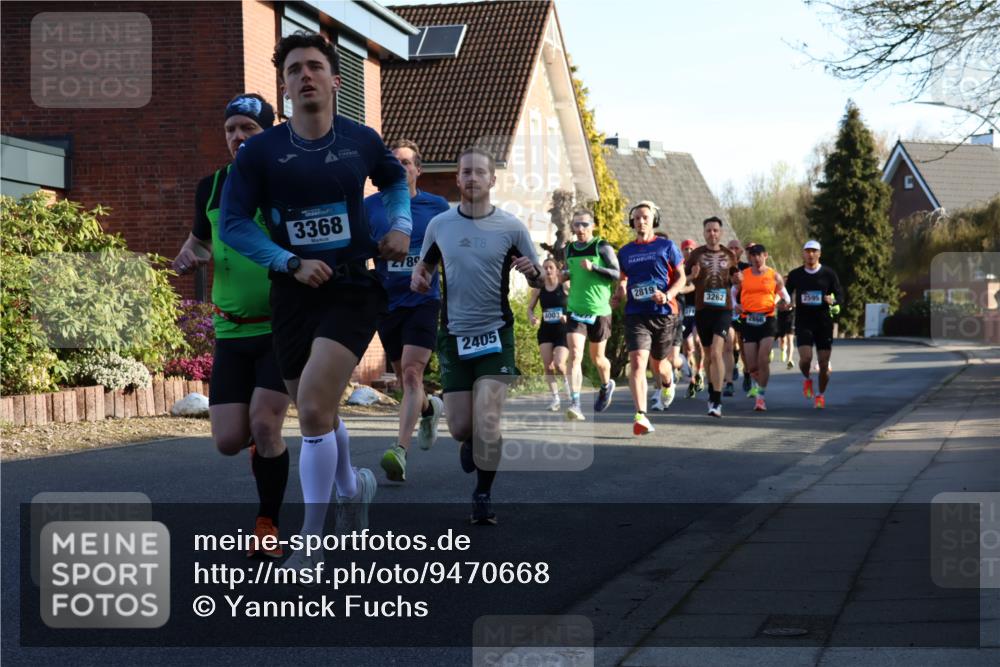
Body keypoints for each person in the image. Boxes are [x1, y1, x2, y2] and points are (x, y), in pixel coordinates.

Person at [219, 31, 412, 575]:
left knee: (308, 408)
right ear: (283, 88)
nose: (305, 76)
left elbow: (395, 182)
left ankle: (311, 541)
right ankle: (354, 485)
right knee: (316, 405)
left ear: (334, 80)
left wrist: (398, 223)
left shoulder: (361, 140)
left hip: (351, 287)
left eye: (314, 67)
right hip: (293, 291)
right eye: (294, 70)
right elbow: (233, 224)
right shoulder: (260, 152)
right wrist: (288, 262)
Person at [173, 94, 290, 558]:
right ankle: (263, 453)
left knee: (265, 425)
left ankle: (268, 525)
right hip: (231, 331)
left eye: (249, 129)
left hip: (280, 328)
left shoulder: (283, 186)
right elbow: (199, 240)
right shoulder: (212, 186)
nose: (238, 137)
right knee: (227, 440)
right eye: (231, 129)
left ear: (269, 135)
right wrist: (188, 255)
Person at [411, 147, 543, 525]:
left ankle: (483, 494)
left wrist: (532, 271)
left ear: (492, 180)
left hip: (495, 334)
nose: (471, 178)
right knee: (462, 428)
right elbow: (424, 269)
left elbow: (538, 277)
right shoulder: (440, 225)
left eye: (478, 173)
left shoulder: (511, 227)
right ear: (457, 179)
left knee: (488, 421)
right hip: (454, 336)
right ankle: (470, 441)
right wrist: (419, 279)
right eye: (465, 172)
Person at [366, 139, 448, 483]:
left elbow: (451, 251)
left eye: (405, 163)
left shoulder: (437, 206)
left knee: (413, 373)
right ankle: (430, 408)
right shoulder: (369, 208)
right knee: (404, 380)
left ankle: (399, 450)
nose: (399, 168)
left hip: (423, 302)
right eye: (393, 163)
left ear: (418, 170)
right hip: (388, 302)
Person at [612, 202, 686, 435]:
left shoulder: (667, 246)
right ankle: (640, 416)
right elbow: (623, 280)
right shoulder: (625, 252)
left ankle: (667, 383)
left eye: (645, 217)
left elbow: (681, 278)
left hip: (664, 314)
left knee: (660, 365)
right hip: (636, 314)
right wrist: (619, 292)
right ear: (632, 222)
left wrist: (667, 295)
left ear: (654, 220)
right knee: (637, 362)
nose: (640, 221)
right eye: (636, 218)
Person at [563, 210, 621, 420]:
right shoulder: (568, 249)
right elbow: (569, 272)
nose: (580, 229)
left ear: (592, 225)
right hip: (576, 309)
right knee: (575, 354)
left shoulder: (601, 247)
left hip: (599, 311)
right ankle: (575, 403)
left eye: (584, 225)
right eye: (576, 225)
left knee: (598, 358)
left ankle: (607, 385)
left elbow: (616, 273)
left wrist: (594, 267)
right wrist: (561, 277)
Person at [684, 216, 740, 418]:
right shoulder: (696, 255)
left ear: (721, 233)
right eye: (708, 230)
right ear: (704, 233)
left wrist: (738, 280)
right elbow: (684, 278)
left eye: (715, 230)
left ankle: (717, 400)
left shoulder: (729, 254)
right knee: (707, 356)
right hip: (702, 310)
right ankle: (711, 390)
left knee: (717, 352)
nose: (712, 234)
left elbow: (736, 279)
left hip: (723, 310)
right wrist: (692, 275)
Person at [785, 240, 845, 409]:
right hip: (804, 321)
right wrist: (786, 303)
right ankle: (807, 379)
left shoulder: (828, 274)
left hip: (824, 322)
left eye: (814, 251)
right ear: (803, 254)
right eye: (807, 251)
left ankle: (820, 395)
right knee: (805, 359)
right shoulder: (796, 274)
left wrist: (832, 300)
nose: (810, 254)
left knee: (824, 364)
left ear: (819, 254)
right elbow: (786, 294)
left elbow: (840, 296)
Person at [733, 244, 789, 412]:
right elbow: (732, 292)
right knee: (751, 366)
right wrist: (736, 305)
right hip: (748, 320)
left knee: (763, 358)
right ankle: (758, 385)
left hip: (767, 319)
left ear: (765, 255)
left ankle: (760, 397)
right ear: (749, 258)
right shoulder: (744, 276)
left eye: (759, 255)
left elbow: (784, 295)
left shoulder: (774, 276)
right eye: (753, 256)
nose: (756, 259)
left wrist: (780, 303)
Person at [527, 257, 571, 412]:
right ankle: (555, 399)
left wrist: (568, 316)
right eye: (545, 268)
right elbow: (530, 308)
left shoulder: (565, 286)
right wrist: (532, 317)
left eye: (551, 267)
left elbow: (576, 304)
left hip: (563, 330)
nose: (548, 270)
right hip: (546, 331)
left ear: (557, 270)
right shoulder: (539, 289)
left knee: (559, 364)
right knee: (548, 366)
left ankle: (569, 389)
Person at [678, 239, 704, 399]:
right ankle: (692, 379)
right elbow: (681, 284)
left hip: (699, 310)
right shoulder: (679, 266)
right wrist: (687, 279)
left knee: (698, 342)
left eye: (691, 249)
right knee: (687, 347)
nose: (688, 251)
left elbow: (695, 286)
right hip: (684, 311)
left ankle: (700, 371)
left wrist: (683, 286)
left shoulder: (699, 267)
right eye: (685, 249)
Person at [776, 275, 796, 369]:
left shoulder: (794, 290)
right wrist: (780, 306)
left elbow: (796, 303)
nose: (786, 282)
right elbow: (775, 303)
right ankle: (783, 350)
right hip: (781, 315)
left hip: (791, 316)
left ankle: (790, 360)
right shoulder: (779, 290)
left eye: (788, 280)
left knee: (790, 338)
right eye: (785, 280)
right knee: (782, 339)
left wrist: (791, 306)